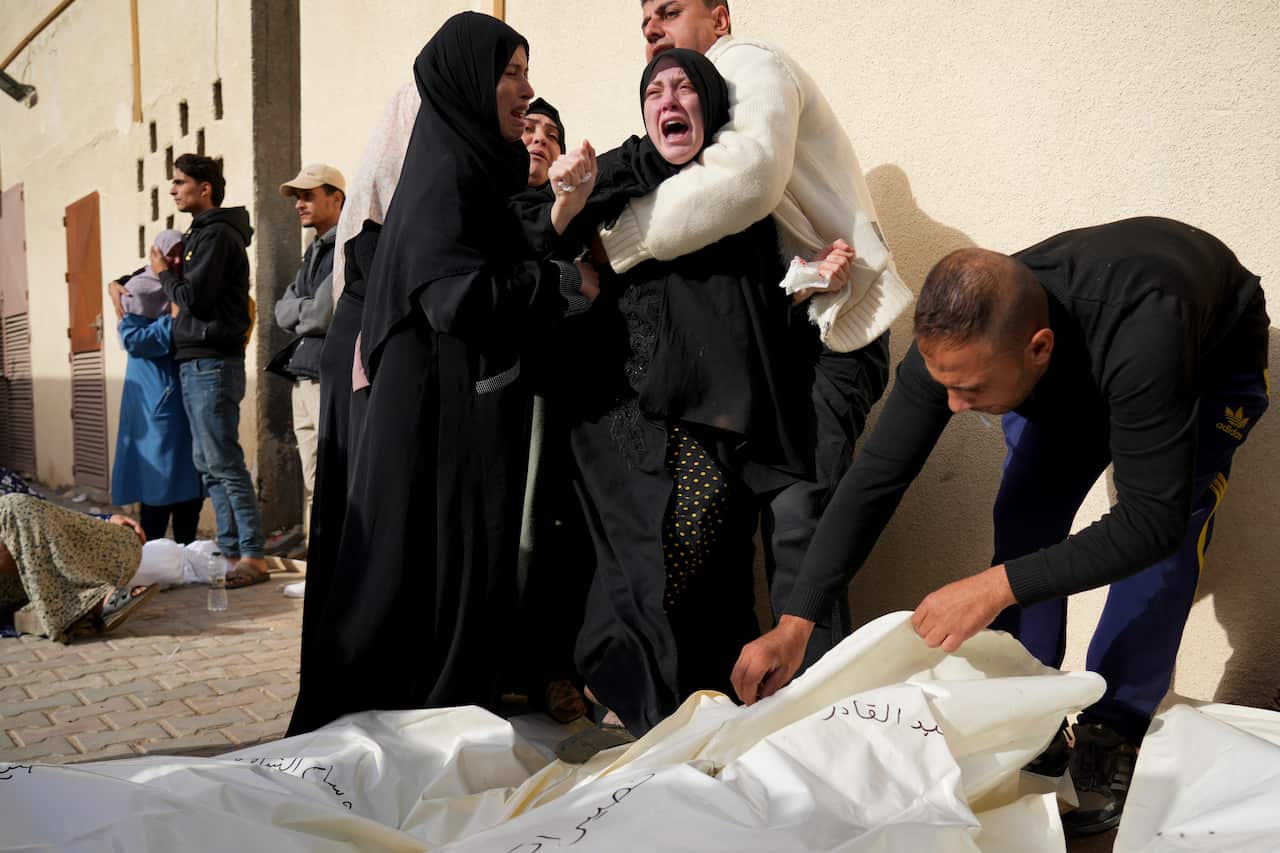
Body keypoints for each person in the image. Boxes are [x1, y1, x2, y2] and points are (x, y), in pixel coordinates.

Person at [733, 217, 1269, 836]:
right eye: (946, 387)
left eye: (971, 389)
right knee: (1024, 512)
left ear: (1038, 347)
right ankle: (1025, 701)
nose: (956, 407)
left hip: (1203, 362)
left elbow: (1150, 522)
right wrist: (797, 620)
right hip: (1085, 356)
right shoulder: (965, 337)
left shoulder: (1146, 328)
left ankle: (1112, 728)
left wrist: (992, 588)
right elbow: (877, 476)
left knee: (1160, 546)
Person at [287, 12, 598, 735]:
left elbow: (492, 242)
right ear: (467, 80)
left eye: (526, 70)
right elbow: (455, 292)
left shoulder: (467, 161)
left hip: (448, 410)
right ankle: (397, 725)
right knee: (404, 580)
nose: (525, 89)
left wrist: (563, 211)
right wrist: (562, 283)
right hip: (429, 416)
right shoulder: (445, 171)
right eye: (511, 72)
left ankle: (432, 715)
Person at [535, 48, 847, 736]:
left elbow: (757, 300)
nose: (669, 98)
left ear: (709, 103)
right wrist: (567, 198)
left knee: (713, 565)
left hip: (720, 415)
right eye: (655, 89)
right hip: (628, 411)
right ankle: (642, 694)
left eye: (684, 86)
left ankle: (689, 706)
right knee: (653, 554)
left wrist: (809, 280)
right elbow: (548, 250)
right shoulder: (619, 172)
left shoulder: (730, 195)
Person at [598, 0, 908, 671]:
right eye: (644, 18)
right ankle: (744, 713)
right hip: (767, 344)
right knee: (731, 525)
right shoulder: (698, 103)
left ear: (721, 17)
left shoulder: (749, 63)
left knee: (800, 518)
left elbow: (748, 179)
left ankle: (817, 724)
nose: (653, 26)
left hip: (827, 335)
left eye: (670, 10)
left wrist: (613, 244)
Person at [287, 85, 416, 737]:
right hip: (367, 369)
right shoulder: (377, 226)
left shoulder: (363, 220)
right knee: (362, 522)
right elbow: (292, 310)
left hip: (350, 358)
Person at [155, 153, 267, 588]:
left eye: (180, 182)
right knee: (208, 463)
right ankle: (232, 550)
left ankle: (253, 555)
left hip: (212, 362)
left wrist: (164, 274)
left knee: (223, 461)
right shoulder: (202, 234)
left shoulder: (218, 235)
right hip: (196, 361)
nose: (173, 189)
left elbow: (196, 299)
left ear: (205, 189)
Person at [269, 162, 347, 581]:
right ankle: (319, 569)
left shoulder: (344, 246)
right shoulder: (314, 248)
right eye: (297, 197)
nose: (300, 204)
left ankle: (331, 570)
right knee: (312, 476)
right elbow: (281, 309)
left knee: (329, 475)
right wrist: (301, 310)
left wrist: (299, 310)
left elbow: (321, 313)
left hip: (325, 376)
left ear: (336, 198)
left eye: (309, 195)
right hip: (303, 374)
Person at [106, 229, 204, 543]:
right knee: (157, 481)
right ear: (156, 254)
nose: (176, 259)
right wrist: (171, 321)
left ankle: (186, 557)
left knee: (190, 480)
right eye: (170, 253)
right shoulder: (137, 290)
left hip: (184, 393)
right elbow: (131, 340)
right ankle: (154, 561)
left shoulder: (184, 285)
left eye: (181, 252)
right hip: (153, 398)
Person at [0, 466, 151, 643]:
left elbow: (41, 511)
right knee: (13, 506)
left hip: (32, 568)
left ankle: (44, 610)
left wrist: (104, 519)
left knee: (125, 540)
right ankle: (94, 602)